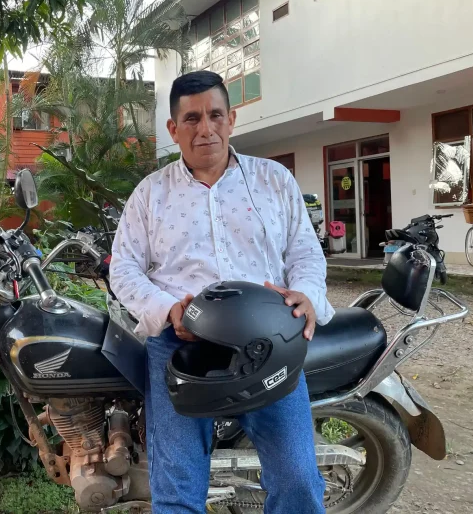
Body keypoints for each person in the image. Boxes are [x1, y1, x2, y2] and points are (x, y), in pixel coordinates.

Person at [110, 70, 334, 513]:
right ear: (173, 128)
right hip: (181, 347)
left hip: (268, 345)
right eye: (192, 118)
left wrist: (307, 292)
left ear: (231, 119)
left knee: (298, 479)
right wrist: (167, 309)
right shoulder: (150, 194)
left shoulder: (274, 181)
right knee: (176, 492)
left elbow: (305, 253)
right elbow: (124, 268)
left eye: (215, 115)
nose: (206, 129)